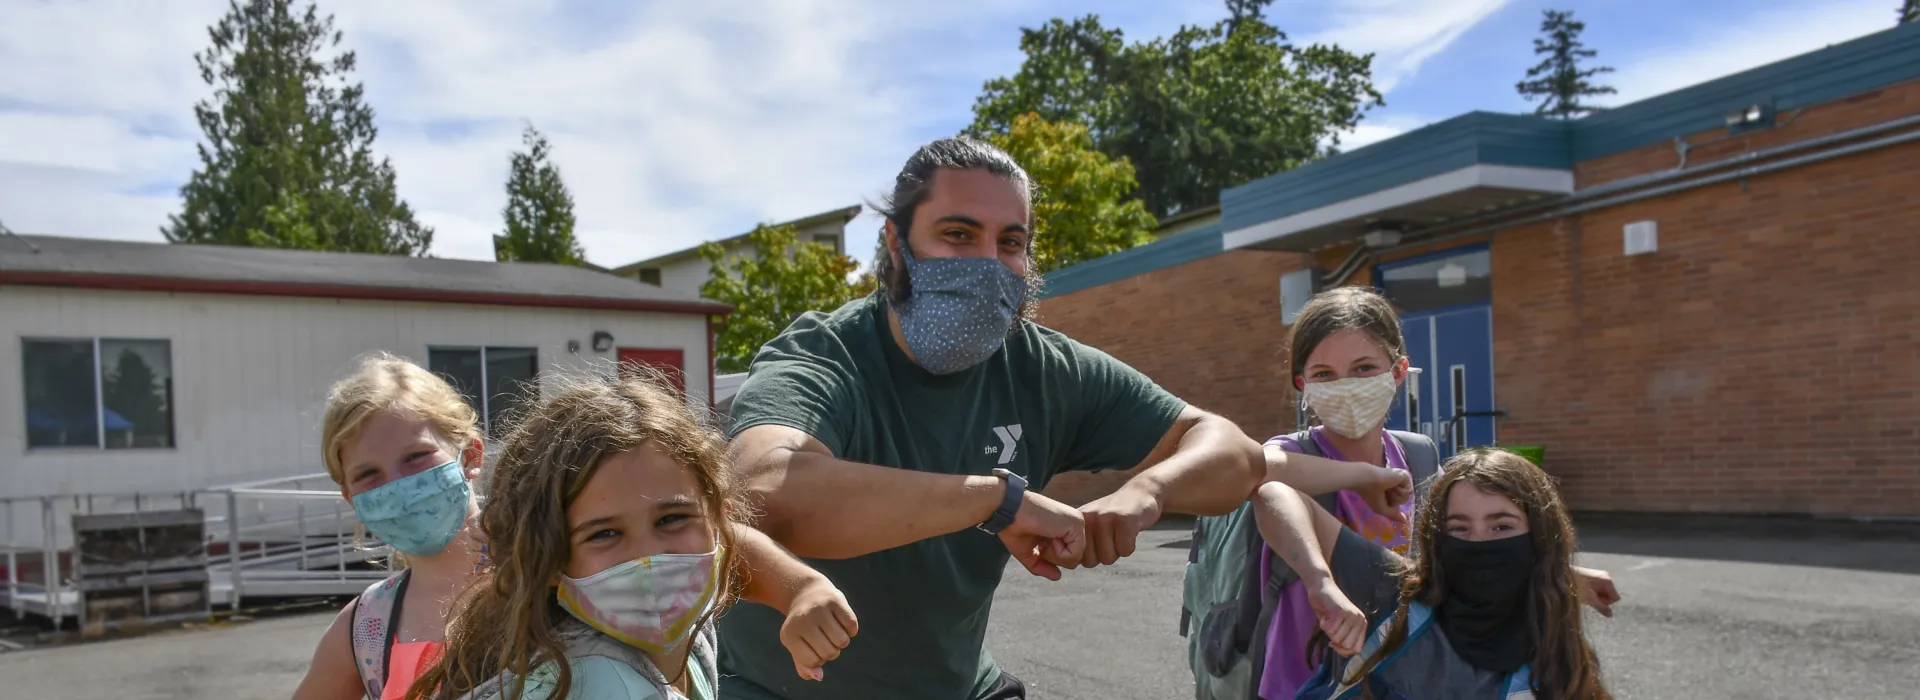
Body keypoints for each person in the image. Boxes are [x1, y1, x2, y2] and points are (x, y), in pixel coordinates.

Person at [717, 136, 1270, 700]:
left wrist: (1150, 491)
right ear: (896, 243)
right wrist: (998, 499)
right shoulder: (825, 354)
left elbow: (1236, 455)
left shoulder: (1045, 368)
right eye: (957, 234)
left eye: (1010, 242)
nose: (987, 263)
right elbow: (765, 488)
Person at [405, 371, 860, 700]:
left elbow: (734, 540)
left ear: (717, 515)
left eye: (671, 520)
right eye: (604, 534)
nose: (649, 558)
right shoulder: (600, 684)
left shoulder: (670, 638)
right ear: (549, 560)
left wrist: (800, 588)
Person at [1254, 448, 1619, 700]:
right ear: (1436, 537)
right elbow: (1274, 495)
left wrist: (1557, 574)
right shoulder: (1391, 595)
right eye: (1458, 529)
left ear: (1538, 537)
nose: (1478, 544)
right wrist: (1321, 581)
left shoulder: (1554, 648)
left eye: (1501, 528)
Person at [292, 353, 491, 700]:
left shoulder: (554, 574)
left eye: (416, 457)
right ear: (350, 497)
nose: (397, 486)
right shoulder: (365, 628)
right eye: (368, 475)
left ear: (471, 455)